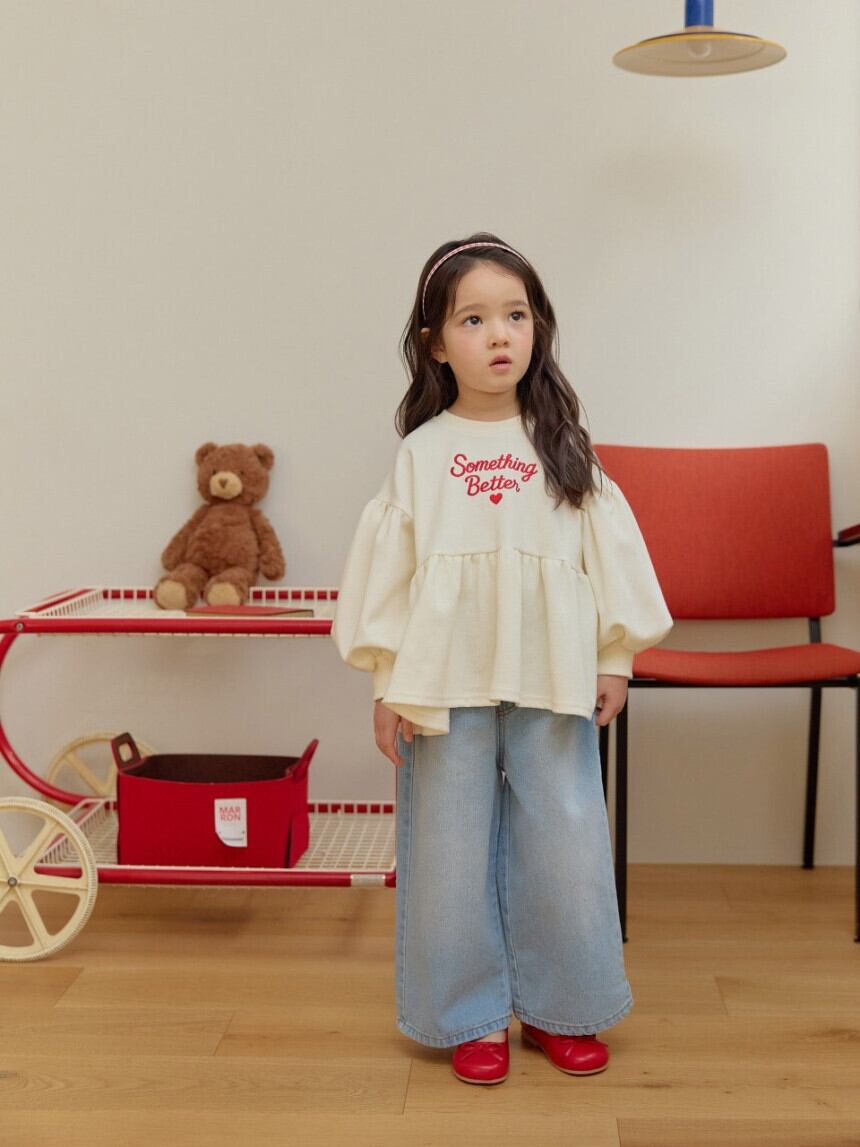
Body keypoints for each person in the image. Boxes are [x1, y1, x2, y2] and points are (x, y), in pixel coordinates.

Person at [330, 232, 673, 1086]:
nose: (499, 335)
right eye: (474, 319)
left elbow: (609, 560)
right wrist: (386, 683)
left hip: (554, 675)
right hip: (440, 687)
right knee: (447, 848)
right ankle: (469, 1015)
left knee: (566, 841)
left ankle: (564, 1006)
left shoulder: (564, 445)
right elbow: (391, 581)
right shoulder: (421, 454)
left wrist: (616, 657)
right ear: (435, 344)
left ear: (537, 328)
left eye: (515, 315)